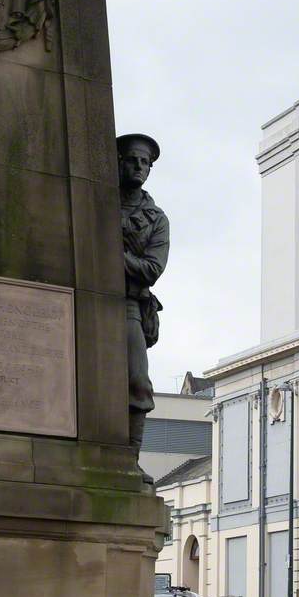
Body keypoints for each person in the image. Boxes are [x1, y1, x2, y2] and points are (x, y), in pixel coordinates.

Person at [118, 133, 170, 462]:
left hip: (128, 306)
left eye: (144, 163)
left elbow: (152, 269)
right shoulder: (94, 203)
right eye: (132, 160)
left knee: (138, 382)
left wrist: (113, 254)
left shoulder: (156, 219)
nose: (138, 167)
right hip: (82, 305)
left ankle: (130, 463)